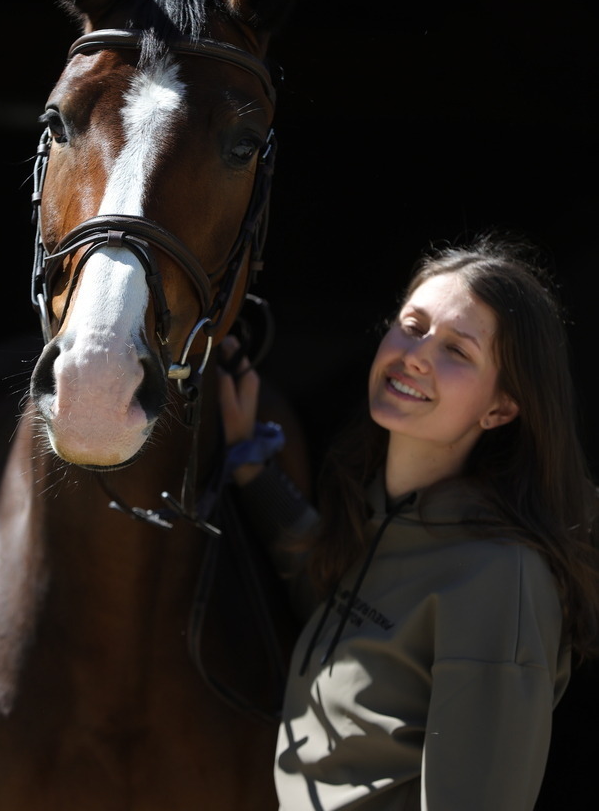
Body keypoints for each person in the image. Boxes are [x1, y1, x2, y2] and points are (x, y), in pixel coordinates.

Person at [218, 235, 599, 811]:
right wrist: (251, 463)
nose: (417, 353)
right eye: (413, 325)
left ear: (500, 408)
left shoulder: (501, 579)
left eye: (457, 350)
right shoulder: (380, 514)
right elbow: (326, 588)